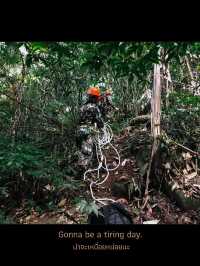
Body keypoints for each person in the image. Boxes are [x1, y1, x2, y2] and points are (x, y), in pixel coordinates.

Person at [76, 87, 104, 176]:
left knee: (83, 151)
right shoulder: (94, 107)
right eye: (97, 98)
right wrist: (101, 126)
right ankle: (81, 175)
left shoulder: (82, 107)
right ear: (95, 98)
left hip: (78, 131)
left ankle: (99, 166)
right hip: (87, 131)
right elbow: (99, 121)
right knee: (86, 154)